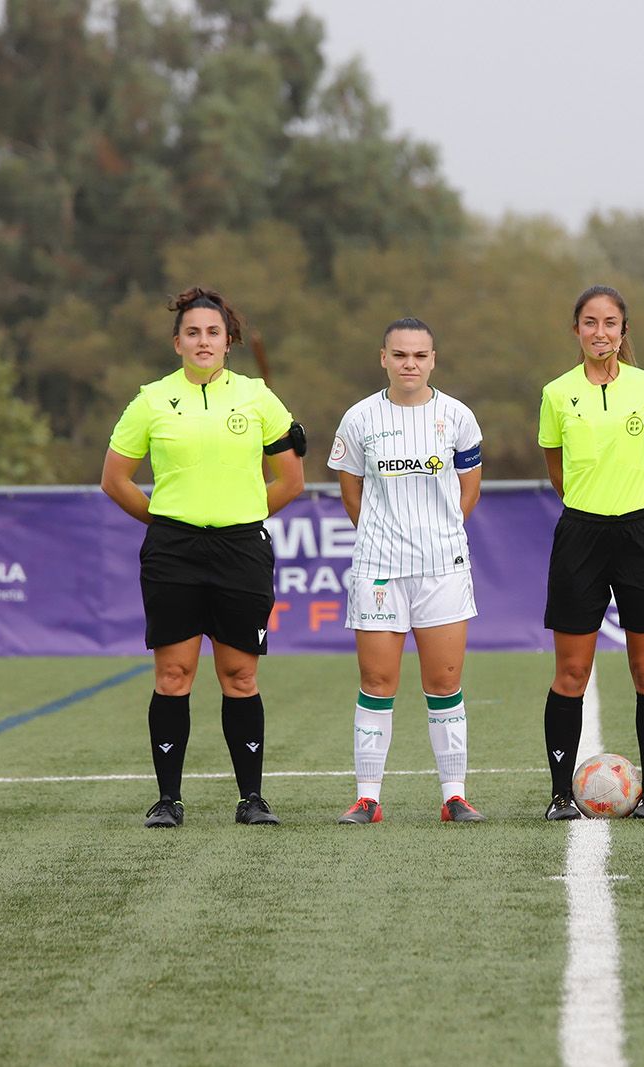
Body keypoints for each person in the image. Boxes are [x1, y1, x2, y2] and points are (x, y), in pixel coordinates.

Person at [101, 286, 306, 828]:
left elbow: (291, 480)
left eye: (213, 331)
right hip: (174, 551)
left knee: (239, 675)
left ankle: (251, 799)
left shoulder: (259, 397)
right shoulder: (150, 399)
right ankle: (167, 800)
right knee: (174, 674)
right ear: (177, 343)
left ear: (229, 340)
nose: (203, 340)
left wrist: (245, 515)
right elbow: (114, 479)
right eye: (192, 332)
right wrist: (163, 520)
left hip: (241, 549)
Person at [326, 317, 486, 824]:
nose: (409, 364)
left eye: (419, 355)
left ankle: (454, 795)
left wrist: (437, 536)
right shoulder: (359, 419)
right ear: (384, 358)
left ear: (432, 359)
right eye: (400, 355)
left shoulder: (458, 417)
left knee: (444, 681)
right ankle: (368, 797)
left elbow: (470, 488)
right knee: (377, 681)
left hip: (442, 566)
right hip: (379, 569)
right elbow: (351, 490)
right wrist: (383, 534)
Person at [538, 285, 644, 820]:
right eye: (591, 322)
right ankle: (558, 795)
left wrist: (631, 503)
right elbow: (557, 469)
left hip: (639, 536)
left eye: (611, 323)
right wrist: (590, 507)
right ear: (576, 330)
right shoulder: (556, 393)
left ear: (624, 331)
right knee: (571, 673)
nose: (601, 332)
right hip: (580, 537)